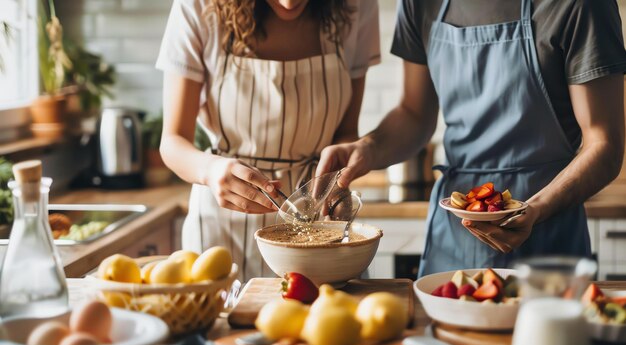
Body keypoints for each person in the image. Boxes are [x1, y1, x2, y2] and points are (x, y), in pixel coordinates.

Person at [317, 0, 626, 276]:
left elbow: (604, 145)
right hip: (454, 243)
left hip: (549, 239)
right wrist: (367, 148)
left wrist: (536, 209)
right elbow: (414, 114)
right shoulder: (420, 4)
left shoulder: (583, 5)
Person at [156, 0, 380, 280]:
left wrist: (336, 180)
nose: (289, 2)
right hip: (222, 223)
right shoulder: (198, 7)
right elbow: (173, 141)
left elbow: (347, 131)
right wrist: (210, 170)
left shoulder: (356, 6)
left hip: (316, 222)